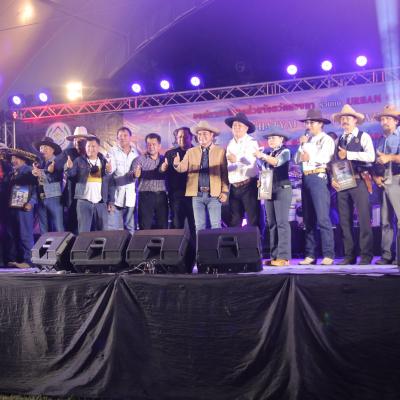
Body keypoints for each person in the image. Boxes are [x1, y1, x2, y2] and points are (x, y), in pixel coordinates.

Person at [331, 104, 375, 265]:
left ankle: (366, 255)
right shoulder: (338, 139)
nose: (345, 121)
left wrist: (349, 154)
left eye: (348, 118)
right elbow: (334, 162)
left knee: (364, 218)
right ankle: (349, 255)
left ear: (355, 120)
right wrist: (333, 178)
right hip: (343, 182)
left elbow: (371, 157)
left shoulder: (364, 136)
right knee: (345, 220)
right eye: (342, 118)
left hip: (359, 180)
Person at [294, 109, 336, 266]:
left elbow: (325, 157)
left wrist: (309, 154)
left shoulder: (326, 139)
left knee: (323, 217)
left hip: (318, 177)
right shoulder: (307, 139)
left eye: (311, 122)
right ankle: (310, 254)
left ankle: (328, 254)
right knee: (308, 218)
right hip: (305, 177)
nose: (308, 125)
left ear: (320, 124)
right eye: (307, 122)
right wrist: (302, 145)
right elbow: (297, 159)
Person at [173, 120, 229, 231]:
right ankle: (200, 244)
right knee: (199, 227)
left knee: (216, 226)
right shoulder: (191, 151)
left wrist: (225, 191)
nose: (201, 136)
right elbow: (182, 168)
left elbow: (224, 173)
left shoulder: (221, 151)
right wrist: (176, 164)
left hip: (214, 195)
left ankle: (215, 243)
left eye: (204, 133)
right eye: (199, 134)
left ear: (212, 135)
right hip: (197, 195)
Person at [255, 131, 292, 266]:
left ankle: (284, 257)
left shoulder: (285, 151)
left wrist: (262, 156)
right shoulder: (269, 153)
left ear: (281, 138)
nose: (270, 140)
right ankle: (275, 256)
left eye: (273, 138)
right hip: (268, 189)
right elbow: (265, 170)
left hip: (282, 188)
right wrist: (260, 180)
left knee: (282, 222)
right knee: (272, 223)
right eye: (269, 138)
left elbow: (277, 162)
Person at [65, 135, 114, 233]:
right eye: (88, 146)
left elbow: (110, 183)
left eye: (93, 146)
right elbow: (71, 175)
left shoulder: (104, 161)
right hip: (83, 202)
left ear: (98, 147)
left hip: (100, 202)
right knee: (83, 233)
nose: (90, 149)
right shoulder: (79, 160)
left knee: (102, 233)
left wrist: (111, 201)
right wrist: (68, 168)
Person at [372, 105, 400, 265]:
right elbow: (376, 162)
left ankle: (399, 257)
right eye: (382, 119)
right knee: (385, 221)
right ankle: (387, 255)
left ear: (396, 121)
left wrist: (389, 157)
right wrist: (376, 177)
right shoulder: (381, 139)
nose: (384, 122)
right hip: (384, 182)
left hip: (397, 179)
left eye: (388, 118)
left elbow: (389, 158)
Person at [225, 112, 261, 227]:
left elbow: (250, 160)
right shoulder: (230, 143)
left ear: (246, 128)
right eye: (234, 125)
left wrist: (237, 159)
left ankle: (256, 239)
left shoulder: (251, 142)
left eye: (239, 125)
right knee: (235, 220)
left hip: (248, 185)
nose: (236, 127)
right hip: (234, 187)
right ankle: (236, 240)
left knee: (253, 219)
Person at [5, 148, 38, 268]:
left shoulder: (29, 171)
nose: (13, 160)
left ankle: (29, 261)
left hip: (24, 207)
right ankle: (14, 259)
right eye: (12, 158)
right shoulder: (12, 173)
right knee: (12, 234)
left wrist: (31, 203)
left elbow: (37, 189)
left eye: (16, 158)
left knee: (25, 234)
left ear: (23, 159)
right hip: (12, 207)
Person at [160, 127, 195, 231]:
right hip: (176, 196)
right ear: (176, 138)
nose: (182, 139)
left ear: (191, 137)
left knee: (195, 225)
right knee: (176, 225)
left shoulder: (198, 152)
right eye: (179, 137)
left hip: (195, 195)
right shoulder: (170, 153)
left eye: (185, 137)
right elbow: (161, 172)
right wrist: (162, 168)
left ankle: (196, 242)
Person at [132, 133, 168, 230]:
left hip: (162, 196)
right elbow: (133, 175)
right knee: (145, 226)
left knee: (163, 226)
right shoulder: (139, 160)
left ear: (159, 146)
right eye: (148, 144)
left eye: (154, 144)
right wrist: (135, 175)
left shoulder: (164, 160)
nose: (151, 147)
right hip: (145, 196)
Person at [107, 126, 139, 234]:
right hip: (116, 196)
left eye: (125, 135)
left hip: (131, 196)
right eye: (120, 136)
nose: (122, 138)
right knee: (114, 230)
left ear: (130, 137)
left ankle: (130, 245)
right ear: (117, 138)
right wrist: (108, 169)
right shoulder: (112, 152)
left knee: (130, 228)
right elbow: (110, 171)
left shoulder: (136, 153)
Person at [62, 126, 91, 233]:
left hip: (89, 196)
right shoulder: (67, 153)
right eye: (75, 140)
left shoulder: (93, 154)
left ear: (87, 141)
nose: (78, 142)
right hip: (72, 196)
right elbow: (57, 165)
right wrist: (66, 167)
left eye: (81, 140)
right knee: (72, 226)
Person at [32, 136, 64, 233]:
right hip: (41, 198)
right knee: (43, 229)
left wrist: (40, 173)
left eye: (46, 147)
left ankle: (63, 243)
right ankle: (45, 243)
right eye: (41, 147)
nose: (43, 150)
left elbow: (54, 178)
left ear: (53, 149)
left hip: (54, 198)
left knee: (58, 227)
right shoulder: (40, 163)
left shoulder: (58, 161)